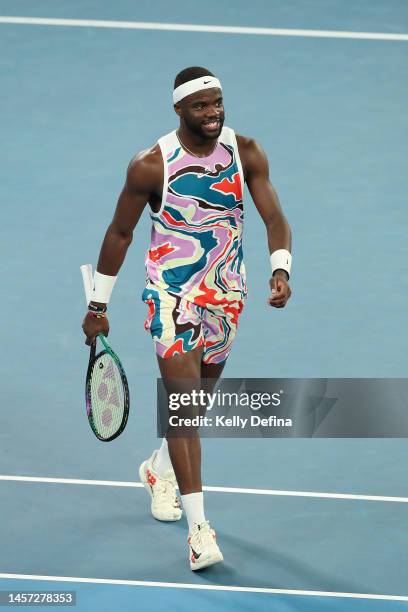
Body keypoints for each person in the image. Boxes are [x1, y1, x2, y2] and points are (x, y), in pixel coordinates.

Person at [82, 66, 292, 571]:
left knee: (194, 409)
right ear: (178, 110)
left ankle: (159, 468)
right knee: (181, 408)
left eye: (218, 103)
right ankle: (200, 530)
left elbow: (274, 216)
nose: (213, 113)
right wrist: (97, 304)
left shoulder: (247, 152)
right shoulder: (151, 165)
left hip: (226, 295)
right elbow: (119, 234)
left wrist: (280, 268)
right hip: (170, 299)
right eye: (201, 106)